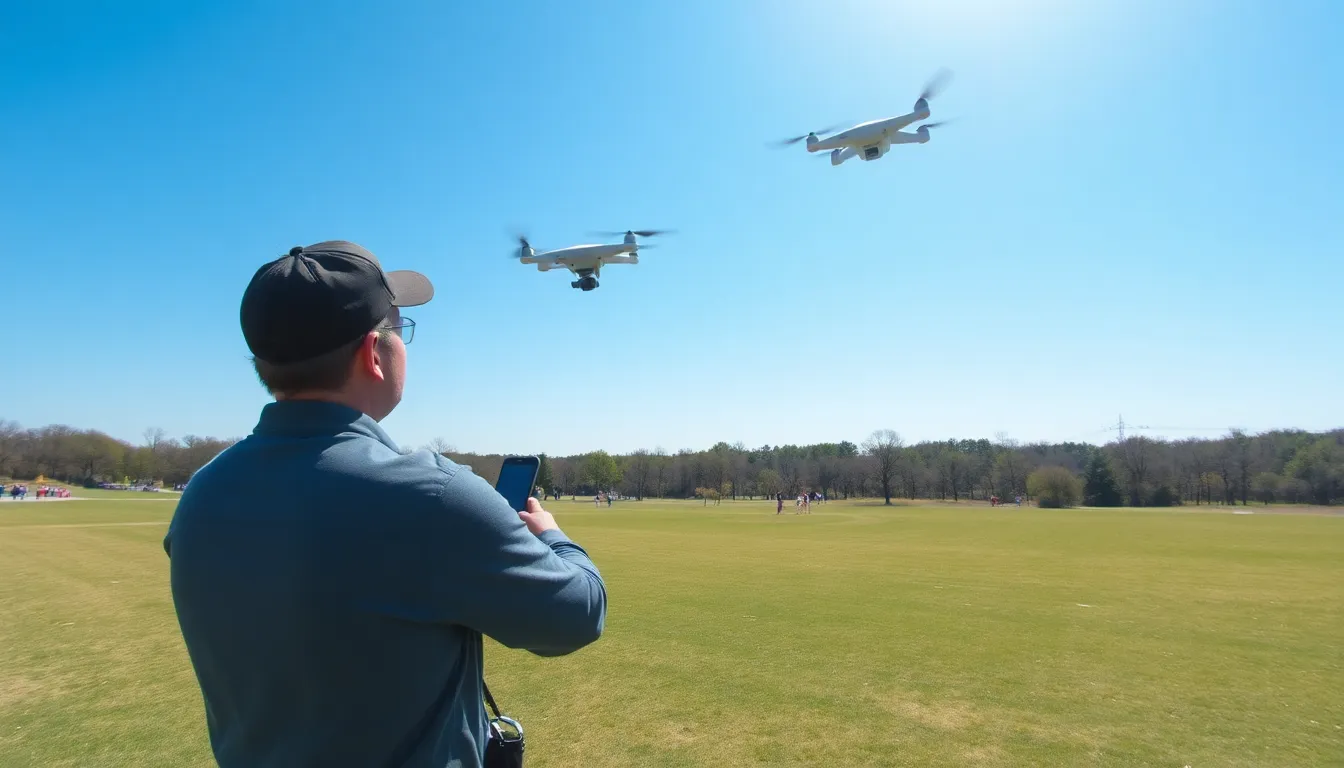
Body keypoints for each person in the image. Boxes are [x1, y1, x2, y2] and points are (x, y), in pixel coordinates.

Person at [163, 241, 607, 768]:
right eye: (401, 328)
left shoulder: (202, 492)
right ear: (372, 353)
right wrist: (553, 537)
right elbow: (577, 615)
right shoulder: (430, 494)